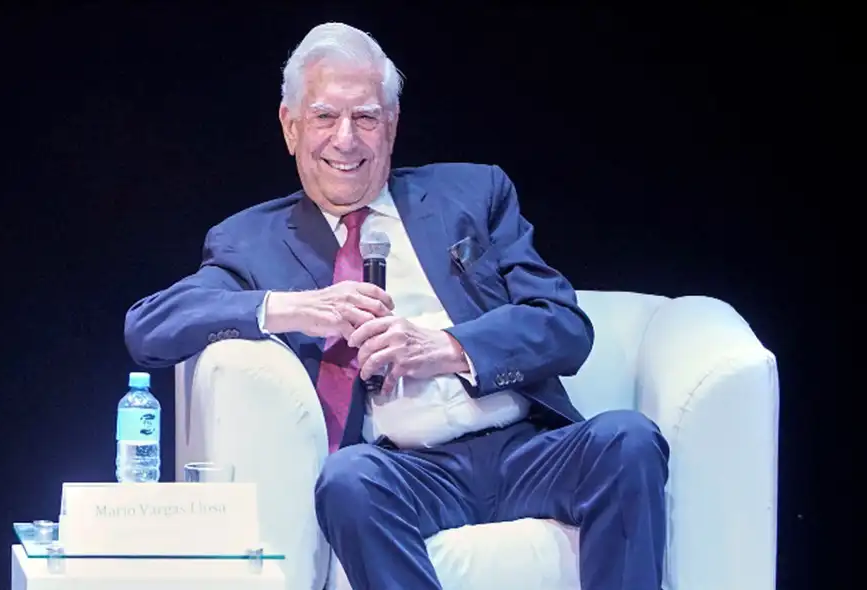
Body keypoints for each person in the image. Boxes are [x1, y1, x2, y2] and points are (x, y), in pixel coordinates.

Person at [124, 22, 669, 590]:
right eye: (324, 117)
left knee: (628, 440)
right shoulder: (252, 241)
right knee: (347, 481)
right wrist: (294, 309)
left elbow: (563, 326)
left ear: (391, 127)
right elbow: (149, 326)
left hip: (526, 450)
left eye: (364, 117)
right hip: (407, 470)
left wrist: (450, 349)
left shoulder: (472, 195)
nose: (345, 140)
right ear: (290, 127)